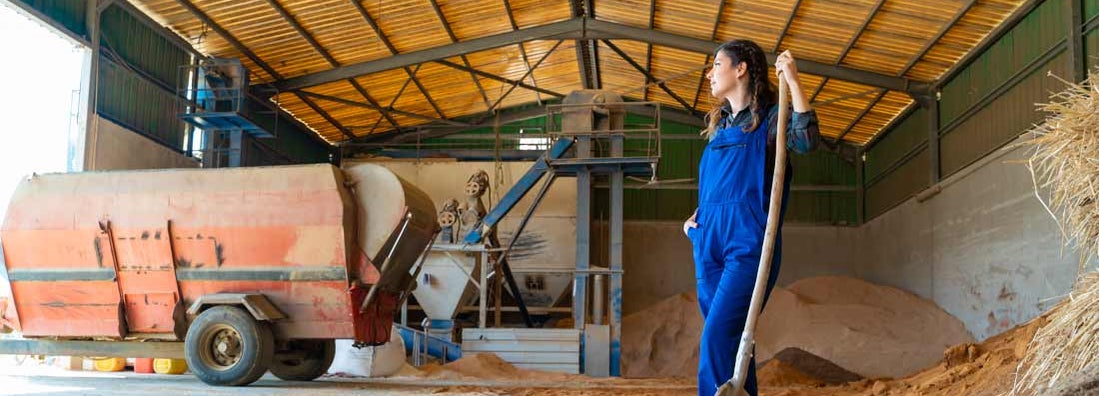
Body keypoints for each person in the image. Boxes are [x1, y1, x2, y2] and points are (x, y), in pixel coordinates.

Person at [683, 40, 821, 396]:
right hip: (707, 244)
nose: (710, 73)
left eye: (717, 64)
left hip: (748, 246)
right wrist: (694, 225)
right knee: (732, 341)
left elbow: (806, 141)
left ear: (740, 68)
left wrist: (793, 81)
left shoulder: (772, 118)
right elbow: (716, 189)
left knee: (715, 337)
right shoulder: (718, 127)